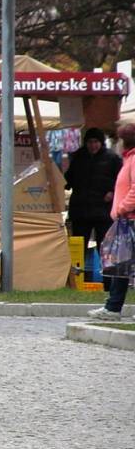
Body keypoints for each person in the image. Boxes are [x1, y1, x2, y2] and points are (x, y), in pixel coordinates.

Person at [88, 122, 135, 321]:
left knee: (125, 265)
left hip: (131, 219)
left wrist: (122, 208)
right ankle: (113, 307)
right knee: (120, 265)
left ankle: (113, 307)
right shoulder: (128, 159)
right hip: (126, 220)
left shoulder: (133, 159)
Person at [64, 127, 121, 265]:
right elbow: (68, 179)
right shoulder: (78, 157)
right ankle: (77, 278)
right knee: (78, 246)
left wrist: (112, 192)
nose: (93, 145)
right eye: (90, 142)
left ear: (101, 142)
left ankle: (107, 281)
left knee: (105, 246)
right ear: (86, 142)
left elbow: (121, 181)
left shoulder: (112, 158)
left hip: (103, 211)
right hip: (80, 210)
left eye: (96, 141)